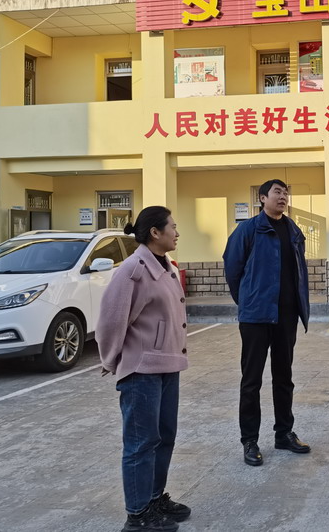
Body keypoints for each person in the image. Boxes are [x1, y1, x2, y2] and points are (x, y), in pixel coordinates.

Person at [97, 206, 192, 532]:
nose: (176, 233)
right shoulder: (133, 270)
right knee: (141, 443)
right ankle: (137, 515)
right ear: (155, 232)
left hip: (167, 365)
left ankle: (153, 498)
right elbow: (111, 320)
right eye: (172, 227)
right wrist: (111, 360)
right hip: (141, 371)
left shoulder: (164, 265)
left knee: (164, 437)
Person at [223, 179, 311, 467]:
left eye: (286, 193)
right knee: (251, 381)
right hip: (256, 318)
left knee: (284, 378)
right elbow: (232, 268)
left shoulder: (293, 230)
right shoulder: (248, 229)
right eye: (277, 192)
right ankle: (249, 440)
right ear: (262, 198)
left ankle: (284, 433)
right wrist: (247, 301)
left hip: (286, 316)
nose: (283, 197)